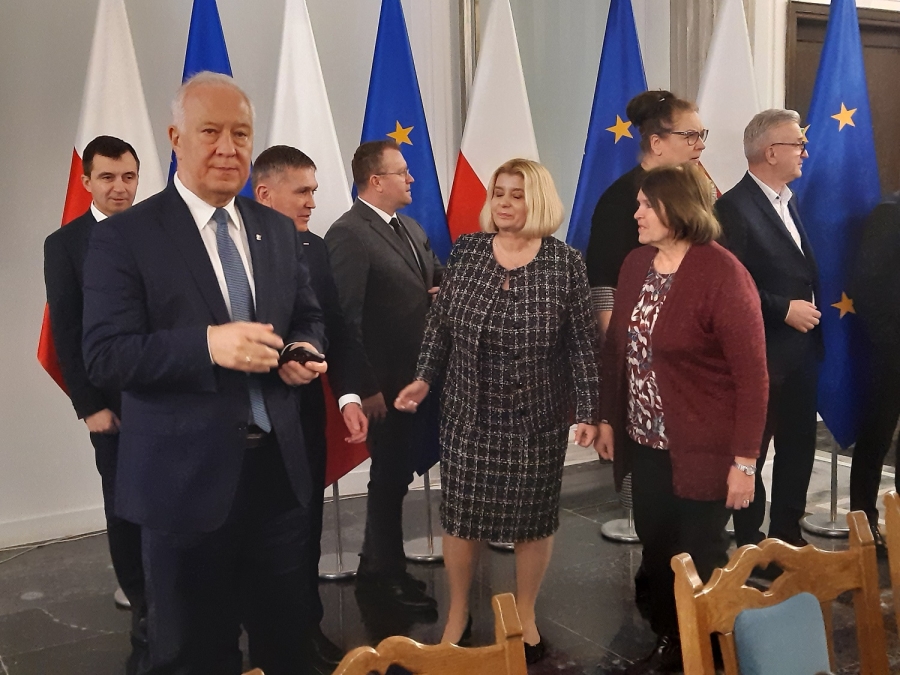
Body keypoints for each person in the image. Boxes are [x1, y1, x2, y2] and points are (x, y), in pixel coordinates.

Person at [82, 72, 326, 675]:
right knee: (192, 656)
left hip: (279, 479)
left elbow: (307, 315)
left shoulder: (275, 229)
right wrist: (207, 345)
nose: (227, 148)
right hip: (182, 488)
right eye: (210, 132)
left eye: (240, 134)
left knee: (290, 648)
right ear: (175, 138)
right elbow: (106, 355)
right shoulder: (126, 237)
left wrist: (302, 348)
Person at [395, 159, 600, 664]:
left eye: (517, 194)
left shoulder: (565, 263)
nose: (504, 203)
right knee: (461, 518)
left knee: (533, 520)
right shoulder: (467, 251)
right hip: (468, 414)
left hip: (536, 418)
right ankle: (458, 613)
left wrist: (589, 410)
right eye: (499, 193)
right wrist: (423, 378)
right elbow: (440, 325)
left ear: (539, 201)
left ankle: (524, 613)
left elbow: (581, 344)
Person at [595, 164, 768, 674]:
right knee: (657, 549)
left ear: (678, 209)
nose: (637, 213)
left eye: (646, 205)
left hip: (706, 450)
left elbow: (752, 379)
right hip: (645, 443)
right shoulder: (635, 264)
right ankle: (673, 641)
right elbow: (617, 350)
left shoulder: (723, 274)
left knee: (698, 556)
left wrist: (745, 463)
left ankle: (708, 653)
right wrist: (607, 419)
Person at [252, 144, 368, 672]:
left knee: (304, 532)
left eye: (314, 191)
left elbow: (334, 327)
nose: (312, 202)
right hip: (246, 427)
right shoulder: (229, 250)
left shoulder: (315, 249)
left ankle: (306, 630)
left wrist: (347, 396)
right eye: (302, 191)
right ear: (264, 193)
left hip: (303, 419)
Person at [325, 140, 442, 614]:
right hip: (382, 387)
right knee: (388, 478)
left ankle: (378, 565)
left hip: (416, 381)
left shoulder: (410, 227)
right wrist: (363, 387)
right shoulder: (348, 234)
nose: (411, 179)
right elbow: (345, 320)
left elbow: (435, 277)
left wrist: (444, 291)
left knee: (395, 477)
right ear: (376, 181)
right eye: (402, 172)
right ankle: (385, 575)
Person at [43, 134, 146, 673]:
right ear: (86, 182)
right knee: (125, 504)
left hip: (166, 397)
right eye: (107, 177)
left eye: (128, 176)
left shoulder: (159, 231)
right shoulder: (65, 245)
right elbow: (66, 331)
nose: (119, 187)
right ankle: (143, 605)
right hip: (110, 406)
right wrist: (89, 407)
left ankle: (178, 593)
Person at [716, 109, 822, 549]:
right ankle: (751, 543)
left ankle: (787, 537)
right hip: (761, 354)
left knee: (799, 447)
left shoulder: (788, 200)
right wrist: (782, 310)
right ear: (771, 152)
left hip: (800, 351)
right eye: (798, 144)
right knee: (752, 453)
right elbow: (728, 287)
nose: (804, 152)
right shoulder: (732, 208)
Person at [584, 90, 707, 341]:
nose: (700, 144)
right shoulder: (619, 199)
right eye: (689, 136)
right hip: (640, 338)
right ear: (656, 143)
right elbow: (603, 282)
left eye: (701, 135)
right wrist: (620, 345)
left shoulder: (699, 193)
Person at [849, 192, 900, 554]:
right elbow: (867, 286)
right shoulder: (889, 213)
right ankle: (864, 526)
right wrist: (889, 342)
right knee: (876, 438)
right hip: (891, 352)